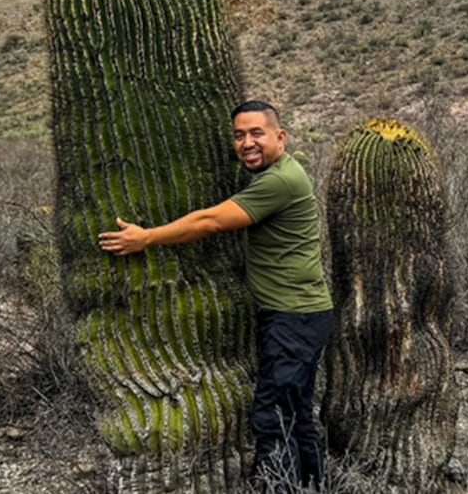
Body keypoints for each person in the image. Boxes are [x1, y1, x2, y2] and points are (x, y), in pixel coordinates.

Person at [98, 100, 334, 490]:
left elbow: (210, 221)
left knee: (273, 417)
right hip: (302, 314)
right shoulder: (274, 174)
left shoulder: (280, 181)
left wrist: (147, 237)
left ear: (281, 136)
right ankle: (313, 485)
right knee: (295, 416)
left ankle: (282, 487)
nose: (246, 143)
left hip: (294, 317)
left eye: (256, 133)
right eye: (239, 135)